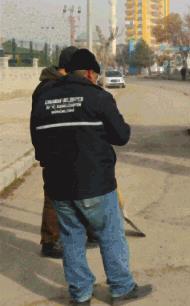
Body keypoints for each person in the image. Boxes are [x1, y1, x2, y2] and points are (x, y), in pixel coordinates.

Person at [30, 49, 152, 305]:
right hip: (96, 183)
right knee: (110, 234)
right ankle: (121, 288)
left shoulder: (44, 97)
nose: (96, 79)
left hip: (59, 187)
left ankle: (80, 294)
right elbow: (122, 136)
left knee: (72, 239)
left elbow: (38, 145)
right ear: (88, 72)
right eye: (95, 75)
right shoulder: (98, 97)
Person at [32, 46, 77, 258]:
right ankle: (51, 241)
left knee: (60, 193)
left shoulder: (48, 85)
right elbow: (41, 122)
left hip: (54, 149)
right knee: (54, 195)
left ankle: (56, 237)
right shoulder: (50, 89)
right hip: (55, 150)